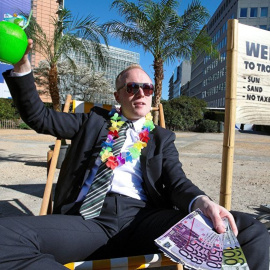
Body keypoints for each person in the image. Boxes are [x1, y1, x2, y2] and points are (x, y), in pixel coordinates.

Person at [0, 40, 269, 270]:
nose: (140, 93)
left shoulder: (162, 138)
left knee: (246, 229)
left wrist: (202, 202)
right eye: (132, 88)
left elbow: (177, 182)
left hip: (146, 222)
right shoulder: (92, 121)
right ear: (119, 95)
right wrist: (23, 67)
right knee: (4, 236)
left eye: (147, 88)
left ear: (152, 96)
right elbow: (39, 117)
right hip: (88, 222)